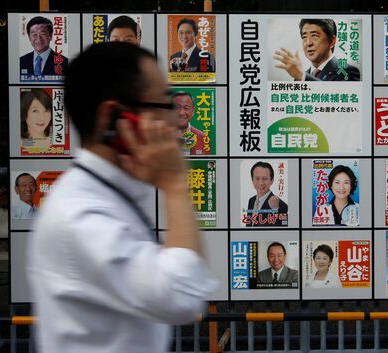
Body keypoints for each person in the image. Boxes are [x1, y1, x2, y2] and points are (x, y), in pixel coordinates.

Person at [27, 42, 217, 353]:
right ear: (113, 116)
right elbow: (181, 295)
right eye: (163, 104)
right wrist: (174, 184)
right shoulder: (81, 216)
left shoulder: (108, 191)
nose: (175, 119)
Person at [273, 19, 360, 81]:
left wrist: (302, 76)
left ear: (332, 41)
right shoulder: (299, 78)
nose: (308, 43)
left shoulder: (347, 71)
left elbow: (337, 100)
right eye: (304, 37)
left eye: (314, 36)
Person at [246, 161, 288, 227]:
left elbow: (282, 230)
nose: (261, 183)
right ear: (252, 180)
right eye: (257, 178)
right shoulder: (251, 200)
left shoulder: (281, 205)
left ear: (272, 180)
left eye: (265, 178)